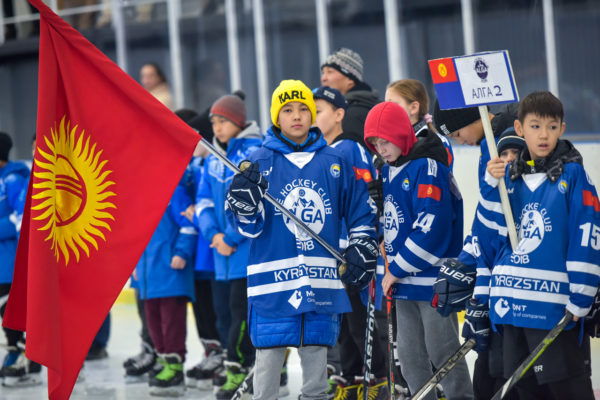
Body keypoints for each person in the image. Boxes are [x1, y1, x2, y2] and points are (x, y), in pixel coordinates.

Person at [226, 79, 378, 400]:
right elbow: (248, 228)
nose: (296, 116)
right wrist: (243, 205)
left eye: (303, 109)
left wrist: (362, 245)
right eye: (288, 110)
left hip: (320, 282)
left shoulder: (333, 161)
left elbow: (360, 212)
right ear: (276, 117)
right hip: (273, 286)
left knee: (316, 373)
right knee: (268, 369)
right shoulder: (258, 161)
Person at [477, 91, 599, 399]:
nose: (544, 135)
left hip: (554, 308)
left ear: (562, 129)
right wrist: (490, 186)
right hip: (511, 307)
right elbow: (488, 235)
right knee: (525, 393)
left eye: (551, 126)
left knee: (568, 390)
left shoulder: (573, 176)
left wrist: (581, 294)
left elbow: (587, 233)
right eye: (535, 126)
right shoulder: (508, 179)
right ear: (520, 129)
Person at [364, 102, 473, 400]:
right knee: (409, 358)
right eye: (375, 144)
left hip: (431, 281)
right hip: (403, 283)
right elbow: (395, 220)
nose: (381, 150)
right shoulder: (388, 170)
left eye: (385, 142)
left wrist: (396, 269)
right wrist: (384, 238)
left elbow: (432, 227)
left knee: (443, 351)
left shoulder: (427, 167)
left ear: (401, 135)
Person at [432, 100, 519, 400]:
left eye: (457, 133)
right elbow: (485, 217)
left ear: (473, 117)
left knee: (498, 371)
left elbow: (500, 223)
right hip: (494, 272)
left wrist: (481, 288)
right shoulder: (487, 146)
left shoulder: (502, 146)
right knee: (487, 369)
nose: (459, 141)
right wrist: (466, 260)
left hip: (507, 278)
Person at [313, 86, 388, 400]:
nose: (311, 118)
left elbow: (366, 199)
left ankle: (379, 380)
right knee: (343, 322)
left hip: (350, 252)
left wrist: (364, 240)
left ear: (339, 114)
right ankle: (352, 378)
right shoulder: (324, 151)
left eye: (318, 111)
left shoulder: (348, 149)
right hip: (333, 252)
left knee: (359, 321)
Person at [195, 94, 262, 398]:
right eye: (214, 122)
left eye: (223, 121)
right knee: (224, 315)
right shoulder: (212, 157)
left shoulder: (253, 152)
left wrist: (231, 238)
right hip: (221, 255)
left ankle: (241, 369)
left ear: (238, 121)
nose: (217, 127)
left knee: (242, 315)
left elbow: (255, 204)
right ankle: (240, 366)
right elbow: (203, 201)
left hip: (245, 253)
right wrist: (214, 236)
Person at [134, 156, 197, 396]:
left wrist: (181, 252)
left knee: (171, 323)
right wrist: (134, 263)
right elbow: (135, 236)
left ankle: (175, 366)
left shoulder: (175, 192)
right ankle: (163, 360)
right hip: (147, 276)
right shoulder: (139, 199)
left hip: (171, 272)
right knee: (153, 322)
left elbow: (189, 225)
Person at [0, 132, 39, 387]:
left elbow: (20, 218)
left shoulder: (14, 179)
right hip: (2, 261)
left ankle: (25, 357)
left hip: (12, 260)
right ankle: (17, 352)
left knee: (13, 310)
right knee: (6, 312)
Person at [385, 79, 453, 170]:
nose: (385, 110)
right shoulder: (386, 143)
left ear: (413, 108)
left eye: (392, 105)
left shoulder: (437, 142)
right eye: (385, 105)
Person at [320, 48, 379, 149]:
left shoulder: (353, 114)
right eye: (323, 73)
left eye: (330, 72)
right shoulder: (366, 104)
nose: (323, 78)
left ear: (350, 79)